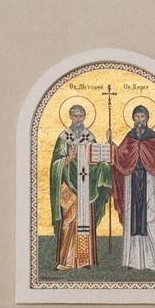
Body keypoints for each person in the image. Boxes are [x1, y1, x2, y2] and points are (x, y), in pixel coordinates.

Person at [111, 105, 155, 271]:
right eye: (137, 116)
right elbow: (121, 158)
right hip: (132, 182)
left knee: (151, 221)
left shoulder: (153, 139)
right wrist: (111, 145)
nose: (139, 120)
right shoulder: (129, 138)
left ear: (147, 119)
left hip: (150, 184)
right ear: (133, 119)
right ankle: (133, 262)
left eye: (142, 117)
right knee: (133, 221)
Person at [50, 104, 112, 270]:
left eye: (81, 116)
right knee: (68, 221)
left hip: (86, 185)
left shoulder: (89, 137)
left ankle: (84, 260)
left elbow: (97, 160)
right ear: (70, 117)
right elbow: (55, 164)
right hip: (68, 185)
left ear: (85, 117)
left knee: (86, 221)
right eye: (75, 116)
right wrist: (68, 159)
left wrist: (107, 147)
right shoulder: (64, 137)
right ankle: (65, 261)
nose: (78, 119)